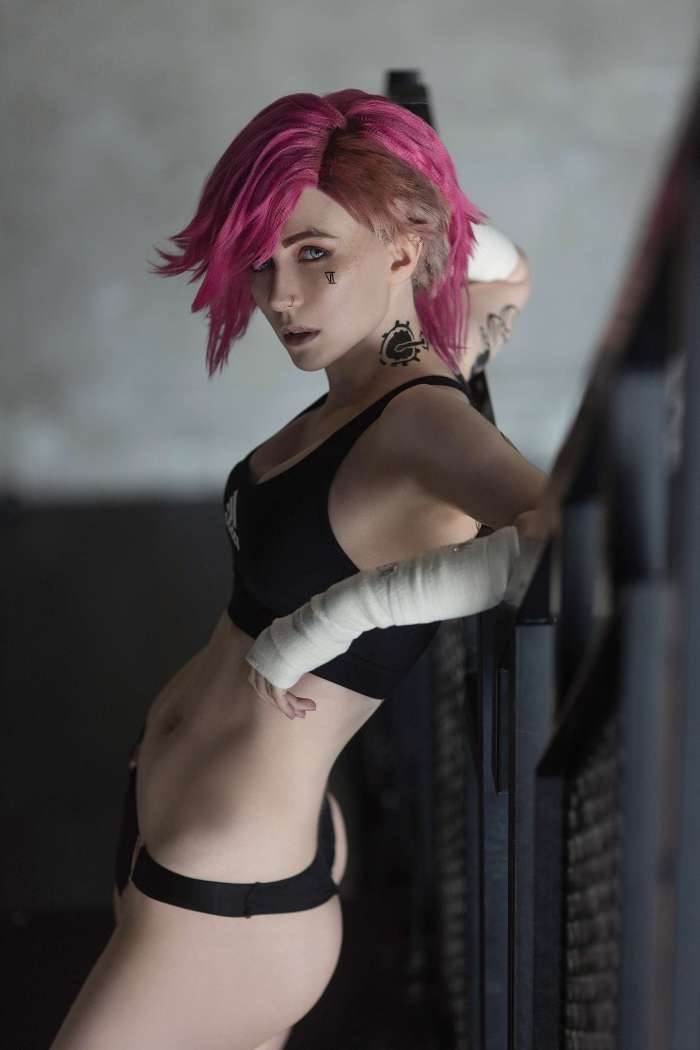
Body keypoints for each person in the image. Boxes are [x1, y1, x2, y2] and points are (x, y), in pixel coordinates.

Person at [51, 88, 550, 1050]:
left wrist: (337, 618)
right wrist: (419, 207)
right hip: (195, 838)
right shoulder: (395, 360)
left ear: (401, 249)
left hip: (230, 886)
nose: (280, 296)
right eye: (262, 260)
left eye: (316, 255)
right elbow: (506, 276)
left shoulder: (426, 424)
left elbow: (565, 541)